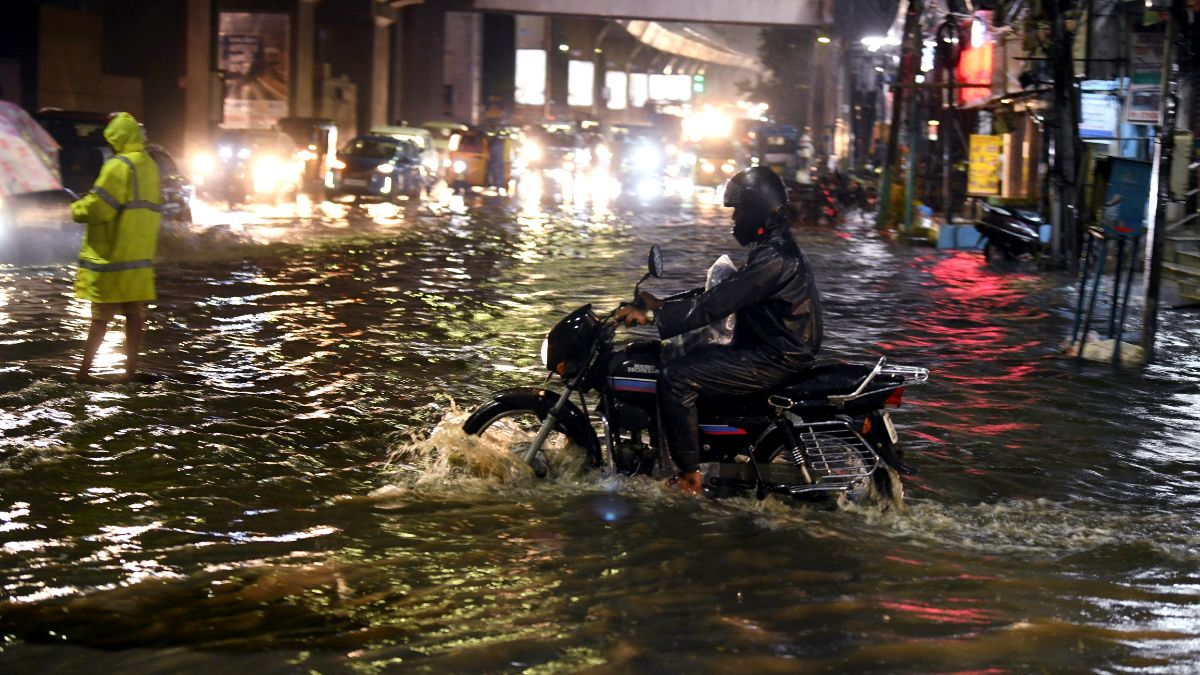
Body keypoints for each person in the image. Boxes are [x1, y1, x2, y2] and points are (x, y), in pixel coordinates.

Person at [614, 166, 824, 495]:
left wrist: (655, 319)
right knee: (692, 359)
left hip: (774, 356)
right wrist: (661, 305)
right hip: (770, 347)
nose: (733, 218)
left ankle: (687, 477)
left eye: (738, 209)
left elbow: (716, 305)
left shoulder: (775, 257)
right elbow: (721, 293)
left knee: (675, 377)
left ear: (756, 208)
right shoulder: (774, 249)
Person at [70, 112, 162, 384]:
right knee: (135, 315)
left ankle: (84, 374)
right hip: (138, 258)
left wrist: (77, 207)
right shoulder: (150, 165)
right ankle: (129, 372)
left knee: (100, 319)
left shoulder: (118, 166)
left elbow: (99, 209)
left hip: (111, 257)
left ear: (116, 139)